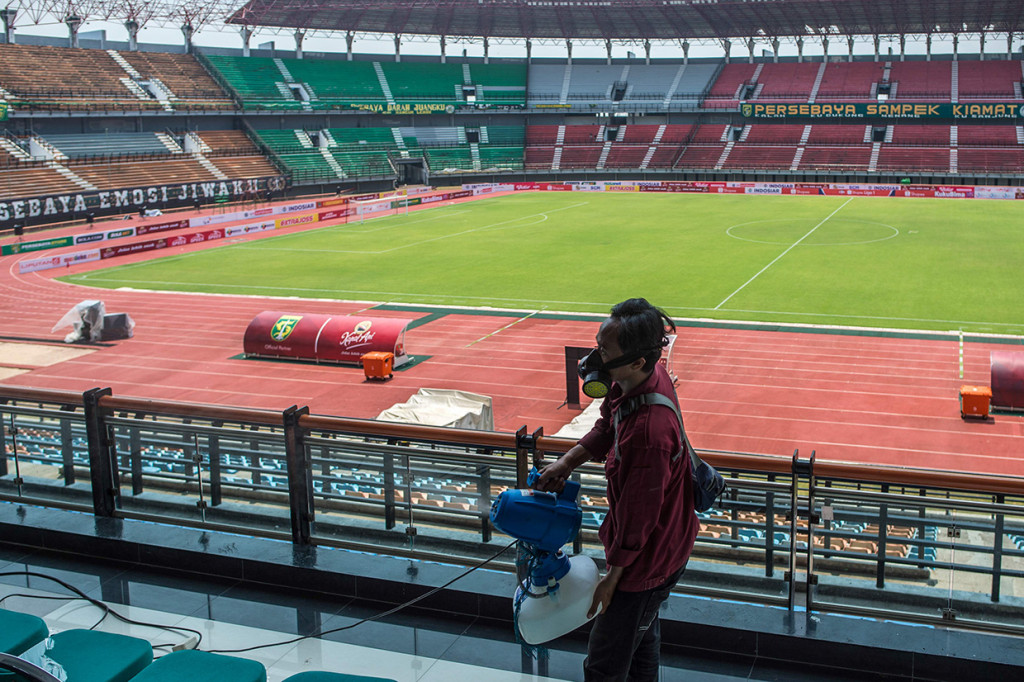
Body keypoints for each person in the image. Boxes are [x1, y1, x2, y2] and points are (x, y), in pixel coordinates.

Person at [535, 297, 698, 682]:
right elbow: (607, 424)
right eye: (598, 344)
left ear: (638, 361)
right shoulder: (633, 380)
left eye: (605, 351)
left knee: (604, 663)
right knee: (640, 641)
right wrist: (566, 462)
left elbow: (639, 518)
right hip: (658, 549)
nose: (596, 358)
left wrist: (613, 579)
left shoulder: (648, 433)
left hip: (647, 561)